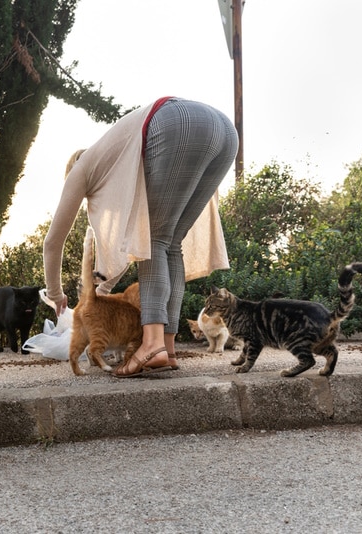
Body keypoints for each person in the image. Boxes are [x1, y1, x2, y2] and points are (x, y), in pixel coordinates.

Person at [42, 97, 238, 377]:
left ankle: (153, 346)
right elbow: (119, 251)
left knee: (154, 240)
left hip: (177, 121)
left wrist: (55, 294)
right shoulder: (122, 162)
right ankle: (167, 348)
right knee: (170, 243)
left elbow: (53, 242)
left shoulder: (81, 168)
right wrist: (102, 291)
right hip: (226, 134)